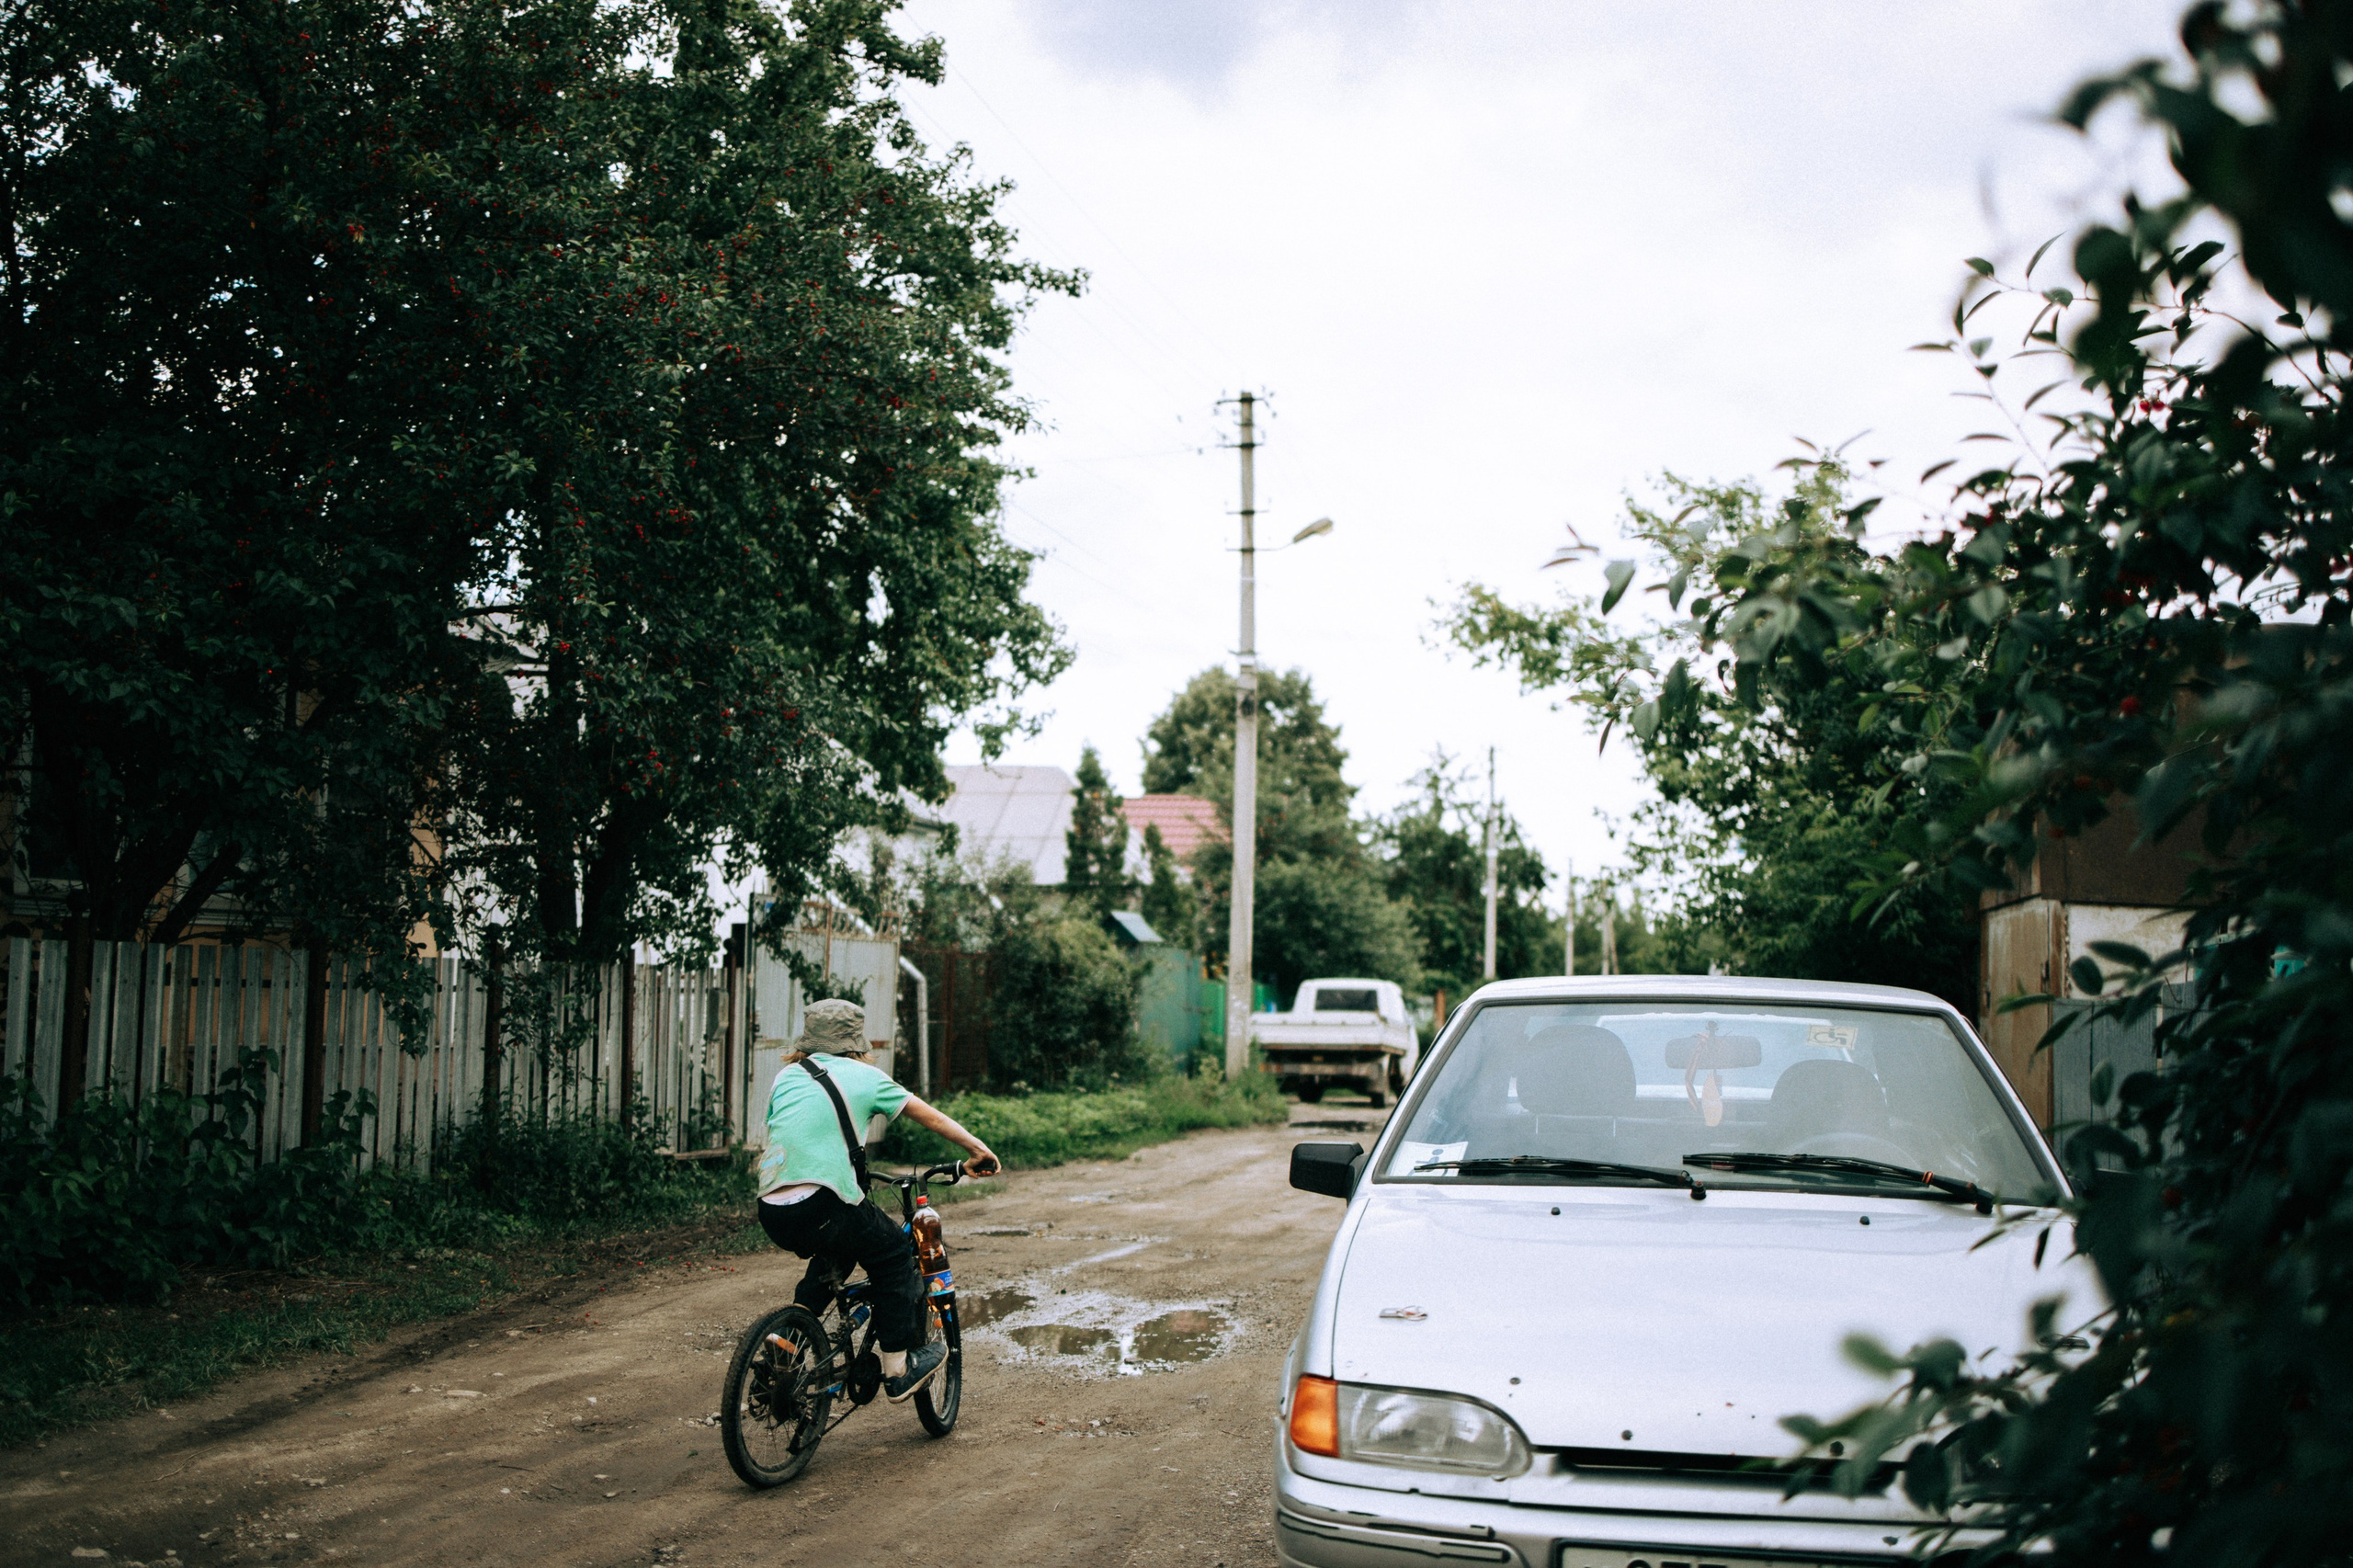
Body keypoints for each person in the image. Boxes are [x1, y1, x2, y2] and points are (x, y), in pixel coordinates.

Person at [754, 997, 1001, 1403]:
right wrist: (978, 1150)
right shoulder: (865, 1076)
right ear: (857, 1042)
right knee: (893, 1255)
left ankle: (786, 1344)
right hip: (824, 1200)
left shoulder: (787, 1077)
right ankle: (898, 1369)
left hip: (773, 1207)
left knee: (838, 1250)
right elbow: (930, 1116)